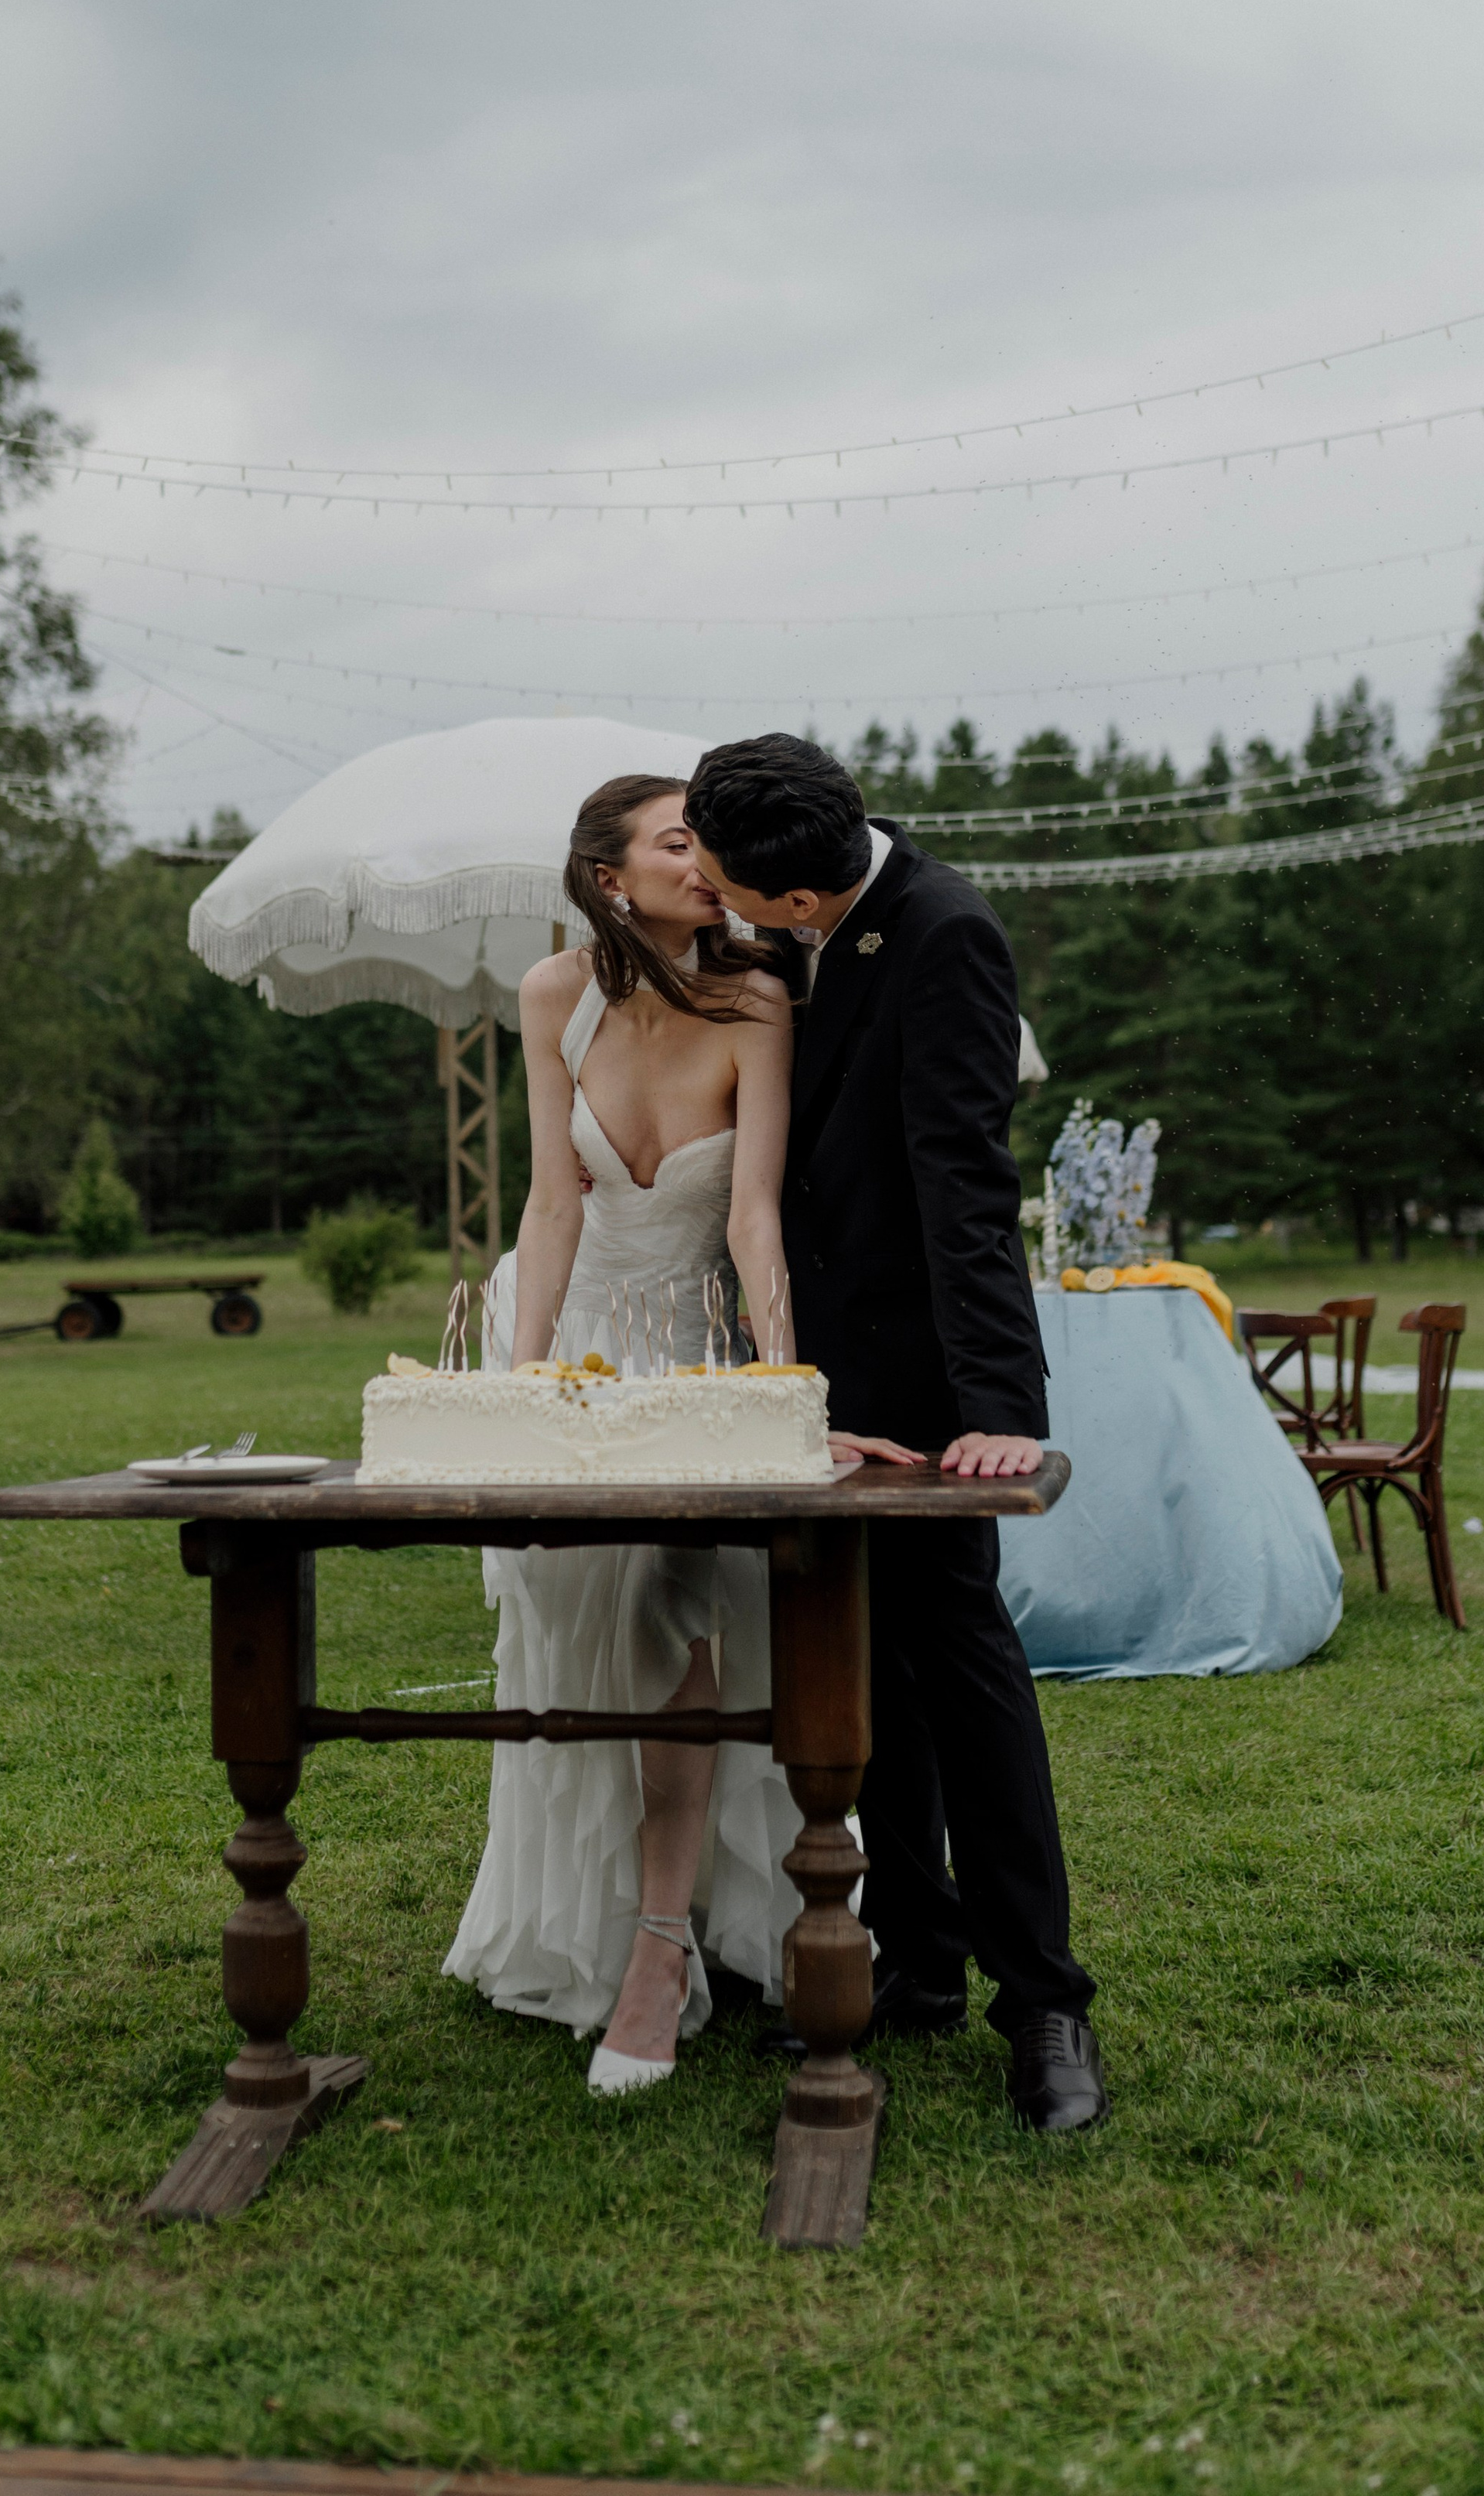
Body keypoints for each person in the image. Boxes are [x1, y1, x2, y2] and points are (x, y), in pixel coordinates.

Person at [442, 774, 915, 2094]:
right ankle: (635, 1918)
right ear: (610, 876)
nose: (706, 860)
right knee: (581, 1637)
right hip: (578, 1344)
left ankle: (661, 1954)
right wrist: (516, 1390)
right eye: (677, 841)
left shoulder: (763, 997)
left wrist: (783, 1387)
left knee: (676, 1608)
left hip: (707, 1343)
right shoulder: (551, 1000)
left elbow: (754, 1213)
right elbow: (551, 1206)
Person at [683, 731, 1108, 2133]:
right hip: (826, 1391)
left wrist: (996, 1412)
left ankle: (1044, 2005)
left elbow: (964, 1186)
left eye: (738, 888)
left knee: (967, 1681)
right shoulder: (807, 932)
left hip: (931, 1399)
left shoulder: (946, 934)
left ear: (800, 897)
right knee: (875, 1688)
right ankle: (919, 1962)